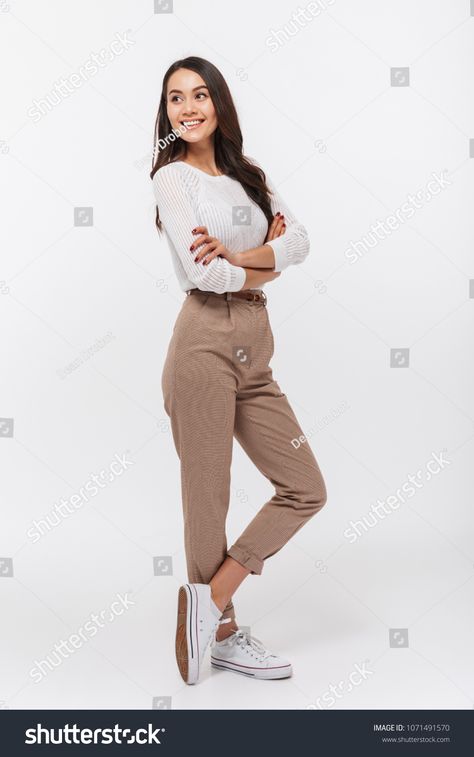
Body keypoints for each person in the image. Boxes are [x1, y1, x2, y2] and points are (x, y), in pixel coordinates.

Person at [151, 56, 327, 685]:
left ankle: (210, 597)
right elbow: (207, 275)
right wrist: (265, 260)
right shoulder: (173, 179)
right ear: (167, 112)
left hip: (256, 341)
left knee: (306, 486)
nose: (189, 108)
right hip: (202, 339)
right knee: (209, 495)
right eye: (176, 99)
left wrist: (243, 255)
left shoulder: (249, 175)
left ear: (220, 103)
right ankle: (219, 635)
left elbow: (301, 242)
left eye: (201, 95)